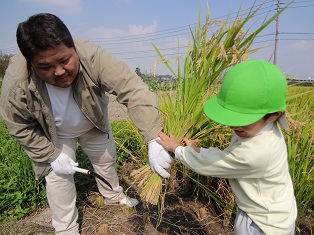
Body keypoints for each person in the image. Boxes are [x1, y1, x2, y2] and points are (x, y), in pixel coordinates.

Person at [0, 13, 173, 234]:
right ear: (31, 63)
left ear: (73, 46)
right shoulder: (17, 82)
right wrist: (50, 155)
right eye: (45, 67)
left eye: (65, 60)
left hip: (93, 122)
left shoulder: (93, 57)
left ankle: (112, 196)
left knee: (106, 160)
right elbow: (18, 126)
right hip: (54, 134)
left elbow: (133, 89)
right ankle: (65, 228)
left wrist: (153, 137)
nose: (60, 71)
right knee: (58, 178)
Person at [156, 60, 297, 235]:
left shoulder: (259, 152)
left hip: (263, 225)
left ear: (274, 115)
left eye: (242, 119)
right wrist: (198, 150)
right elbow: (231, 156)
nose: (234, 126)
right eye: (232, 119)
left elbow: (215, 164)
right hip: (272, 213)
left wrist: (177, 149)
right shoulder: (261, 129)